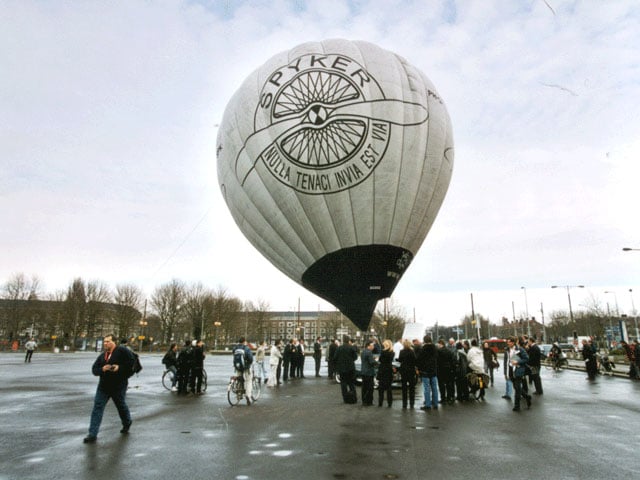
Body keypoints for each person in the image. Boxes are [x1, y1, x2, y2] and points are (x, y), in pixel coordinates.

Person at [83, 334, 133, 443]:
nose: (105, 343)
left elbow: (131, 365)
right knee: (98, 407)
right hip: (103, 387)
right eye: (104, 341)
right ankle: (92, 434)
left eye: (108, 341)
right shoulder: (102, 356)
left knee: (121, 405)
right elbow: (94, 370)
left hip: (118, 386)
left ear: (114, 342)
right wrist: (102, 369)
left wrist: (119, 368)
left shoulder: (123, 351)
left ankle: (127, 422)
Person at [507, 336, 531, 412]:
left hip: (518, 370)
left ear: (513, 342)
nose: (508, 343)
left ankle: (517, 406)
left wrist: (517, 362)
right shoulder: (507, 350)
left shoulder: (520, 349)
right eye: (507, 342)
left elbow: (526, 358)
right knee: (517, 387)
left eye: (509, 342)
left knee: (517, 388)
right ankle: (527, 397)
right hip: (511, 370)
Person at [416, 336, 438, 410]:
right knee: (434, 387)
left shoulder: (423, 349)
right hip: (433, 370)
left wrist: (419, 369)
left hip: (425, 371)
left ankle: (428, 404)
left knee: (426, 388)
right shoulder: (435, 348)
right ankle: (435, 403)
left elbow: (419, 360)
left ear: (424, 341)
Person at [334, 335, 358, 403]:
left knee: (343, 384)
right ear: (348, 340)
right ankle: (353, 397)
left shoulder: (339, 348)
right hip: (350, 368)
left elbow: (335, 357)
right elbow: (355, 357)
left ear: (343, 340)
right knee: (351, 383)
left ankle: (345, 398)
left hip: (342, 369)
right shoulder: (351, 348)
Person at [233, 336, 254, 405]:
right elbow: (250, 358)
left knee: (240, 379)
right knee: (248, 381)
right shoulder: (246, 348)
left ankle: (239, 393)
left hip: (238, 367)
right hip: (245, 367)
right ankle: (248, 396)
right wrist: (249, 363)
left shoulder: (235, 348)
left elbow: (233, 354)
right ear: (244, 341)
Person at [398, 339, 417, 409]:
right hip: (411, 371)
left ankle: (404, 403)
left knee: (404, 387)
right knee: (412, 387)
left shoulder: (401, 351)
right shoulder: (412, 352)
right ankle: (412, 403)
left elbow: (400, 360)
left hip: (404, 371)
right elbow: (415, 360)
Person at [436, 338, 456, 404]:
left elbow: (437, 361)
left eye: (438, 344)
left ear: (440, 344)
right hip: (448, 369)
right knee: (448, 384)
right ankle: (449, 397)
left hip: (440, 370)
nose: (437, 345)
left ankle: (443, 398)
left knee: (441, 385)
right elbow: (452, 360)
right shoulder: (449, 351)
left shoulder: (438, 351)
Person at [377, 340, 394, 407]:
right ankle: (389, 402)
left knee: (381, 387)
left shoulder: (383, 352)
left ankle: (380, 402)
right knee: (389, 387)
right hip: (389, 370)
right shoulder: (392, 353)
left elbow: (380, 360)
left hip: (382, 369)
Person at [360, 340, 377, 406]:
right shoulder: (369, 352)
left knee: (364, 387)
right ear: (368, 346)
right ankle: (369, 401)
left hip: (364, 371)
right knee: (370, 388)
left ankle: (364, 401)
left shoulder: (363, 351)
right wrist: (376, 361)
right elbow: (371, 362)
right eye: (372, 345)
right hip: (369, 372)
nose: (373, 347)